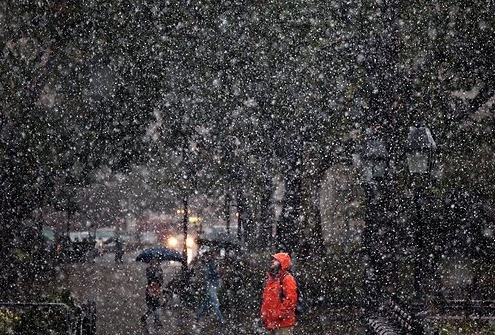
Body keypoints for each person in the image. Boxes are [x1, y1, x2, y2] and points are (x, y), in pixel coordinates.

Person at [261, 252, 297, 335]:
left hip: (283, 324)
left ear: (282, 263)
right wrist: (264, 315)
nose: (272, 261)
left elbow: (291, 300)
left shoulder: (287, 279)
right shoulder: (271, 280)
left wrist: (279, 314)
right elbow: (266, 300)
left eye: (276, 260)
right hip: (271, 324)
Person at [195, 250, 225, 324]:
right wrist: (216, 271)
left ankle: (198, 316)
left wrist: (219, 272)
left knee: (207, 302)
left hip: (215, 284)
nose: (216, 256)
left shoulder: (215, 263)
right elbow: (208, 274)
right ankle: (220, 319)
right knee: (215, 302)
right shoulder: (208, 264)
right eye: (214, 255)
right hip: (211, 284)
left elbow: (218, 275)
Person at [140, 256, 164, 331]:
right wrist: (154, 275)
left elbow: (161, 280)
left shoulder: (159, 269)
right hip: (150, 290)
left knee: (156, 306)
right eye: (153, 260)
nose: (155, 262)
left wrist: (159, 278)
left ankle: (157, 320)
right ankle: (145, 318)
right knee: (152, 307)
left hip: (157, 290)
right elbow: (149, 279)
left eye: (156, 261)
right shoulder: (149, 269)